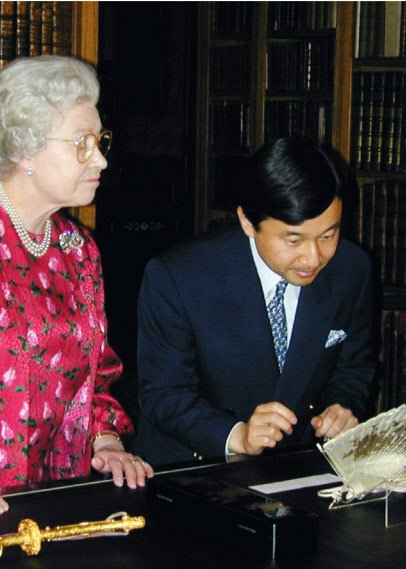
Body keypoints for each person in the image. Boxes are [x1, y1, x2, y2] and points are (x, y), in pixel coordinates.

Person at [0, 55, 153, 516]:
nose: (100, 158)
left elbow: (94, 372)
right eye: (81, 143)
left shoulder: (78, 250)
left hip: (51, 501)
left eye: (99, 142)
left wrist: (107, 441)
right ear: (24, 149)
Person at [131, 137, 375, 466]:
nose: (314, 257)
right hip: (197, 466)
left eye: (328, 235)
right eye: (293, 239)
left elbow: (354, 367)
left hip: (297, 464)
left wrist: (342, 407)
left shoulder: (351, 268)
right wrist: (236, 435)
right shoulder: (178, 277)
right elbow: (162, 394)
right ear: (247, 221)